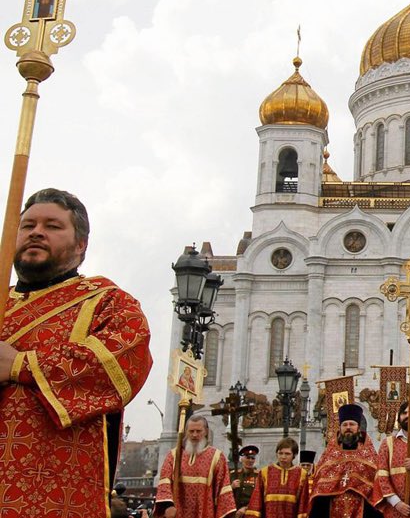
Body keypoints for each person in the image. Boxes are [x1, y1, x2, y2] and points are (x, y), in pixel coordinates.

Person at [0, 188, 153, 517]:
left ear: (80, 245)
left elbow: (121, 365)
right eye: (27, 226)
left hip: (56, 493)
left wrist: (20, 365)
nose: (37, 232)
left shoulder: (107, 302)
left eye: (53, 226)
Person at [154, 414, 236, 517]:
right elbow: (164, 483)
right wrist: (167, 505)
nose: (195, 435)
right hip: (178, 512)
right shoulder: (174, 455)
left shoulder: (217, 457)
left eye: (198, 431)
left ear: (206, 431)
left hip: (205, 512)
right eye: (191, 431)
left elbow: (223, 488)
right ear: (186, 432)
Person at [309, 403, 379, 518]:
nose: (348, 427)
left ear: (358, 427)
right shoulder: (330, 453)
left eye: (352, 424)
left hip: (363, 509)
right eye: (344, 424)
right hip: (332, 506)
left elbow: (375, 486)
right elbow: (320, 486)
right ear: (340, 428)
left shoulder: (369, 454)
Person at [247, 437, 309, 518]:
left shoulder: (301, 474)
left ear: (294, 455)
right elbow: (256, 500)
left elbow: (303, 504)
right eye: (280, 453)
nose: (283, 457)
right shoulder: (265, 472)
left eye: (287, 454)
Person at [233, 444, 260, 516]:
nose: (250, 460)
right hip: (235, 512)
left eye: (253, 458)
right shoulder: (233, 474)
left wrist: (246, 508)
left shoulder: (259, 476)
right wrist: (231, 487)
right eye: (248, 457)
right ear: (241, 458)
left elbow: (260, 497)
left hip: (251, 512)